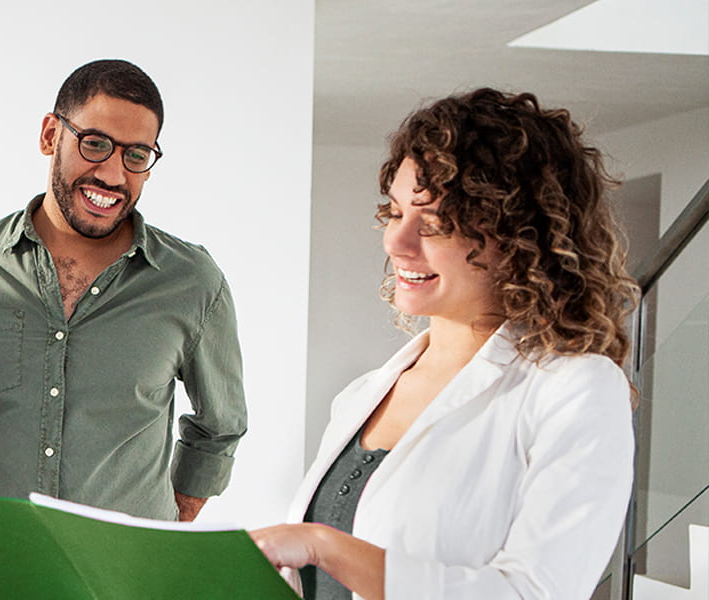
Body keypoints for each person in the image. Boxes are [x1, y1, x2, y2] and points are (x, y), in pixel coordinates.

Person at [250, 88, 639, 599]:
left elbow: (538, 592)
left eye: (433, 223)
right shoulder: (363, 394)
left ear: (521, 239)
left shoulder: (575, 389)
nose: (396, 242)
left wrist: (326, 546)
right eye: (395, 213)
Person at [0, 59, 247, 521]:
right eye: (95, 144)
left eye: (136, 155)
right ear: (50, 135)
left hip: (125, 575)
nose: (113, 176)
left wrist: (159, 523)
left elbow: (220, 426)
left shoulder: (192, 281)